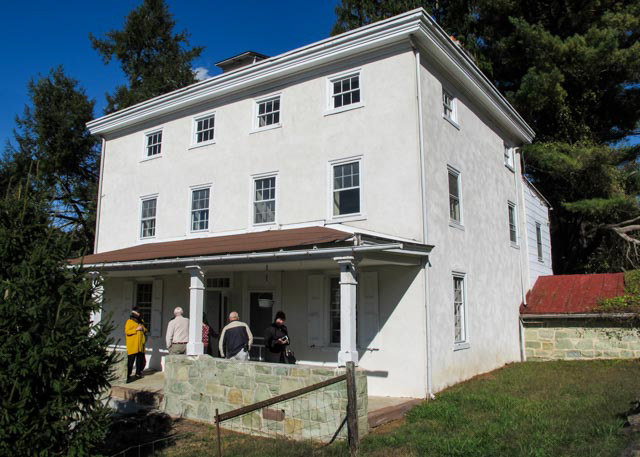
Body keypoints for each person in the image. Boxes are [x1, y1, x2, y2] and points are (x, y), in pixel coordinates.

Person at [125, 307, 147, 381]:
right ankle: (128, 375)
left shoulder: (141, 321)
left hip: (140, 344)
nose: (139, 314)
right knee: (131, 361)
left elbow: (146, 329)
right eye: (138, 312)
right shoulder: (129, 321)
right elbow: (127, 332)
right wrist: (136, 329)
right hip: (133, 344)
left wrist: (143, 329)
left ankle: (138, 373)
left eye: (139, 313)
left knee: (139, 360)